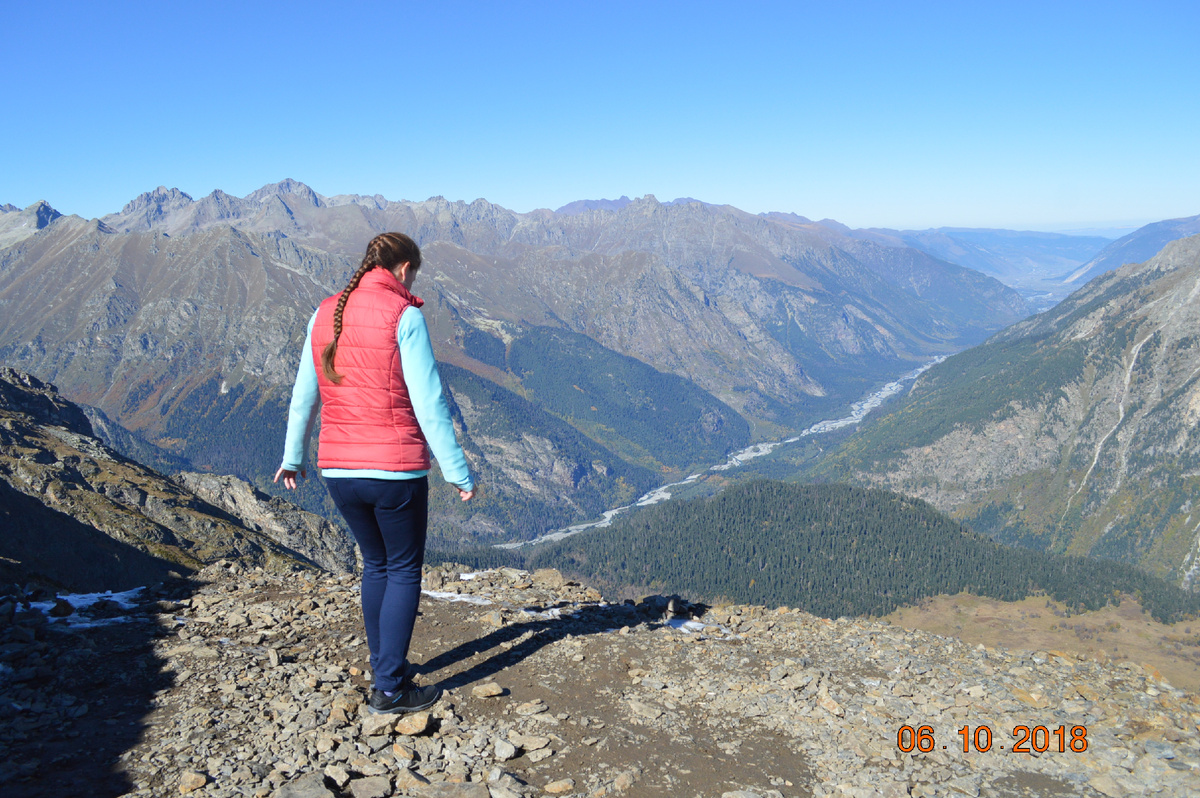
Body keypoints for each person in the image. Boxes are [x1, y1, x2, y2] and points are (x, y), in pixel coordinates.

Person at [274, 232, 474, 715]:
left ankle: (386, 665)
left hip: (338, 470)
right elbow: (429, 401)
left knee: (376, 565)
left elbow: (304, 395)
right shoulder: (404, 315)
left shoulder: (324, 313)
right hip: (394, 470)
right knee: (403, 568)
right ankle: (389, 688)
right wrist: (457, 471)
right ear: (403, 269)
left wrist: (292, 458)